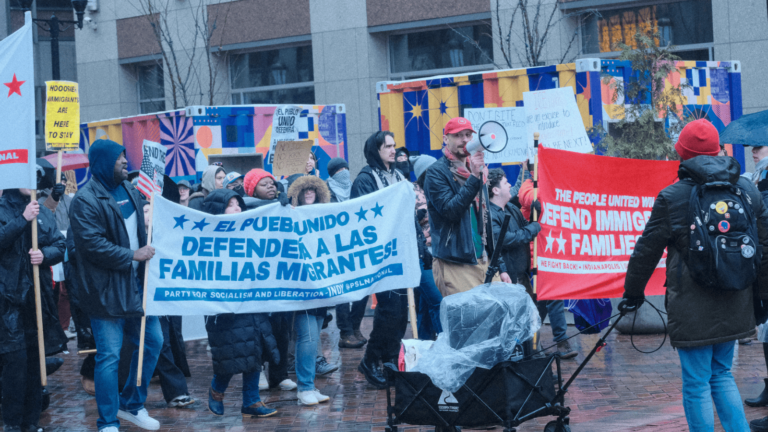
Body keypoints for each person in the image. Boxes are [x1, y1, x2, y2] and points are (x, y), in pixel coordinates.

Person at [622, 119, 768, 432]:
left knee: (697, 384)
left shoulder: (672, 197)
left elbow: (646, 251)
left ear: (683, 155)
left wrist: (632, 293)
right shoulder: (746, 190)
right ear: (719, 149)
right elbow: (763, 244)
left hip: (692, 307)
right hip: (735, 300)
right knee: (722, 374)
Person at [70, 139, 164, 432]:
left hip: (138, 284)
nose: (126, 161)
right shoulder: (84, 200)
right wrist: (132, 255)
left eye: (125, 156)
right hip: (106, 290)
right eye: (119, 157)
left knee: (153, 342)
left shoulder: (131, 191)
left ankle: (132, 405)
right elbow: (92, 245)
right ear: (102, 162)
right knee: (109, 356)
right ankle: (107, 420)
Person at [202, 188, 280, 419]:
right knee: (232, 352)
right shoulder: (207, 238)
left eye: (238, 204)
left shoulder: (250, 232)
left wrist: (281, 205)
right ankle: (217, 391)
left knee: (255, 349)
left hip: (252, 302)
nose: (237, 209)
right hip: (225, 307)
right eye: (230, 205)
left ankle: (252, 401)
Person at [0, 182, 67, 432]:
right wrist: (22, 219)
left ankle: (31, 422)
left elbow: (60, 245)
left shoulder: (41, 211)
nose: (30, 184)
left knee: (34, 362)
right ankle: (13, 423)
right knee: (15, 363)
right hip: (8, 301)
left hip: (37, 299)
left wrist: (44, 255)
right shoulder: (2, 209)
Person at [424, 117, 511, 300]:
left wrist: (500, 266)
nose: (464, 140)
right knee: (468, 323)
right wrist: (474, 178)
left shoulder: (478, 173)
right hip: (456, 262)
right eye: (458, 135)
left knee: (495, 319)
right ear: (446, 139)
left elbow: (486, 222)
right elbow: (450, 211)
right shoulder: (436, 172)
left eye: (468, 135)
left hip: (485, 259)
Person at [354, 131, 410, 388]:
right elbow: (362, 216)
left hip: (401, 252)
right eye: (387, 146)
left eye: (393, 145)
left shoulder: (399, 175)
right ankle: (370, 359)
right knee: (389, 311)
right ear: (375, 150)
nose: (392, 150)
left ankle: (389, 361)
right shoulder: (365, 179)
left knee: (400, 313)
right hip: (380, 256)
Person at [241, 168, 298, 393]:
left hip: (281, 278)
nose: (271, 187)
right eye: (264, 184)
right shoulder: (243, 210)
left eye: (272, 183)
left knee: (282, 329)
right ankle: (259, 372)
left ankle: (280, 373)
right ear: (252, 189)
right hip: (256, 279)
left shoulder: (283, 207)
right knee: (258, 330)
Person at [287, 176, 334, 405]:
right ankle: (304, 387)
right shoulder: (289, 215)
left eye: (313, 188)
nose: (308, 192)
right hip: (301, 285)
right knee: (306, 336)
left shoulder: (326, 216)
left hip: (321, 285)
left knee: (314, 336)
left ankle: (310, 385)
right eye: (303, 188)